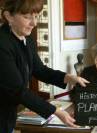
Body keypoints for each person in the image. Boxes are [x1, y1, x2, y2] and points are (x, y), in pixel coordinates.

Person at [0, 0, 89, 132]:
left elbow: (39, 69)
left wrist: (69, 77)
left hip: (8, 113)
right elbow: (18, 90)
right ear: (9, 16)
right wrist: (56, 111)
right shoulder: (2, 43)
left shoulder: (26, 38)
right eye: (27, 17)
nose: (34, 23)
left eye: (36, 16)